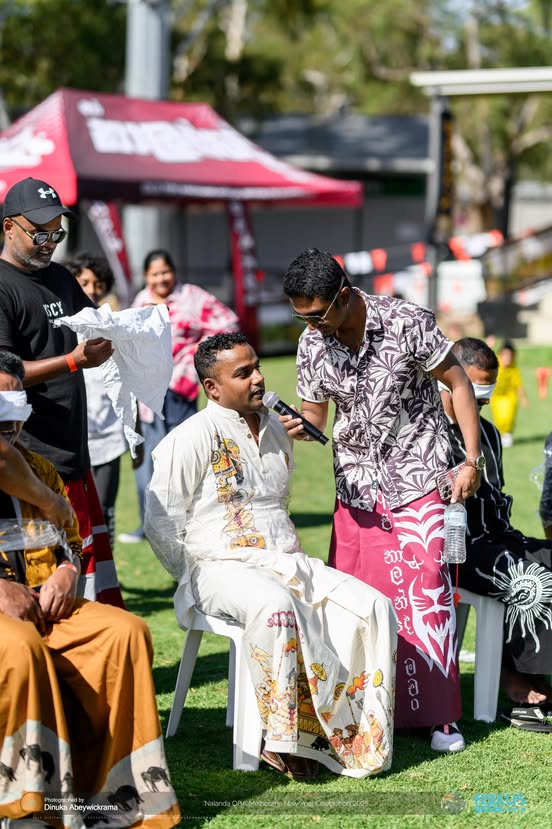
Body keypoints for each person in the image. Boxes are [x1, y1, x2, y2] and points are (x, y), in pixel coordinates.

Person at [145, 332, 398, 780]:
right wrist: (192, 577)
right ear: (212, 388)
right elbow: (160, 522)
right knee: (274, 604)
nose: (258, 378)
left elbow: (275, 505)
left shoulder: (281, 427)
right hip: (218, 566)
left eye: (257, 366)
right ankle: (280, 740)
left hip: (286, 560)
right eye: (243, 373)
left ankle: (352, 734)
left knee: (374, 607)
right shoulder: (190, 437)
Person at [282, 248, 483, 753]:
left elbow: (457, 382)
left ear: (344, 295)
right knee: (355, 602)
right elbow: (317, 415)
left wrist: (471, 460)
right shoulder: (312, 345)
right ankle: (370, 712)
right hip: (356, 488)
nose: (310, 325)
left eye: (317, 314)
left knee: (428, 593)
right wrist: (301, 427)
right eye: (300, 315)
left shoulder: (406, 321)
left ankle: (440, 719)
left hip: (420, 475)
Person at [0, 352, 180, 827]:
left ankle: (118, 795)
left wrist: (67, 570)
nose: (5, 424)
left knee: (126, 632)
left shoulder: (40, 467)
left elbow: (71, 544)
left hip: (45, 605)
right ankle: (25, 805)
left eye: (10, 408)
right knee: (18, 648)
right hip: (9, 621)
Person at [0, 176, 123, 606]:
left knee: (91, 582)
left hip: (76, 450)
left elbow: (95, 328)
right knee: (54, 585)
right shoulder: (1, 286)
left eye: (58, 232)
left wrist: (126, 333)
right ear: (9, 226)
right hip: (33, 459)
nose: (50, 242)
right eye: (40, 232)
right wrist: (73, 360)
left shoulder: (60, 277)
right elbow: (4, 371)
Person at [441, 337, 552, 728]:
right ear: (448, 379)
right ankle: (514, 678)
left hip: (498, 535)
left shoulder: (486, 433)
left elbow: (495, 497)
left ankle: (535, 669)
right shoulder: (427, 433)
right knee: (531, 578)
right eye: (475, 393)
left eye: (486, 396)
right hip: (459, 550)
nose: (481, 404)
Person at [119, 248, 239, 543]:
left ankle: (188, 522)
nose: (161, 278)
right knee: (148, 459)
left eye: (165, 272)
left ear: (174, 272)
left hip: (177, 389)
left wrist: (195, 357)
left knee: (182, 457)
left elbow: (228, 322)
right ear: (146, 277)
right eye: (154, 274)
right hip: (146, 391)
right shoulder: (140, 301)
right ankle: (149, 524)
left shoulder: (191, 297)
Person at [64, 252, 143, 548]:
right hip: (75, 434)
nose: (91, 289)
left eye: (98, 283)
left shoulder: (114, 325)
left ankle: (107, 574)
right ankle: (80, 570)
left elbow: (128, 383)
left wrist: (137, 432)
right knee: (73, 509)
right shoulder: (65, 325)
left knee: (105, 509)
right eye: (83, 282)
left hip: (110, 436)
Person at [489, 340, 528, 448]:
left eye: (510, 356)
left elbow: (518, 384)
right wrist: (489, 345)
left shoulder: (513, 368)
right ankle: (501, 435)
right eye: (505, 356)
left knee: (509, 416)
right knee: (499, 418)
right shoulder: (495, 362)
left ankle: (507, 435)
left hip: (510, 396)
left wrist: (523, 398)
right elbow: (485, 357)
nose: (508, 359)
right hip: (496, 396)